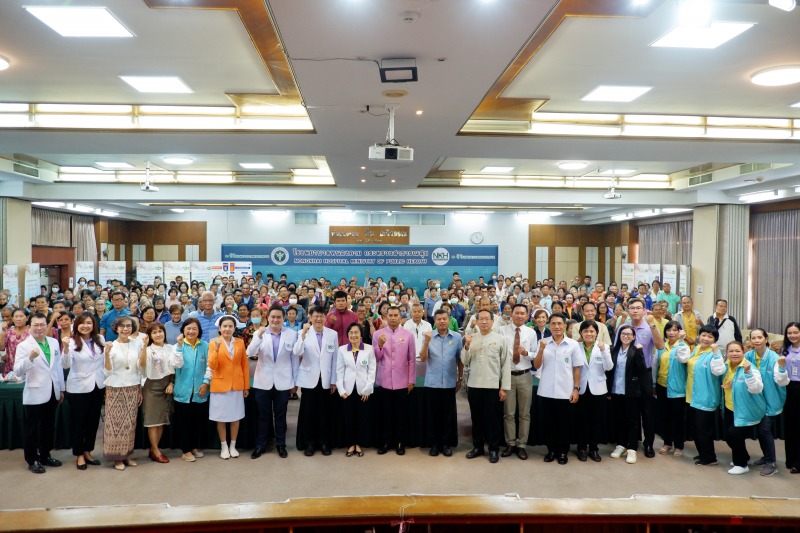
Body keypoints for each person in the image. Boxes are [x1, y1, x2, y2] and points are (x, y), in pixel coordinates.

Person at [14, 313, 65, 474]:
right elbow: (17, 371)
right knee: (32, 429)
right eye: (35, 325)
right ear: (30, 327)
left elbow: (57, 368)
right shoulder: (24, 346)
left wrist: (61, 388)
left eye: (42, 324)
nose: (39, 328)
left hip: (52, 391)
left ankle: (45, 454)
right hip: (35, 393)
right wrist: (30, 358)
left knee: (48, 426)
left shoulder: (54, 342)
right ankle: (32, 459)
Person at [247, 305, 299, 459]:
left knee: (281, 415)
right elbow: (250, 353)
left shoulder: (292, 334)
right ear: (267, 318)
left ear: (283, 319)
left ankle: (281, 445)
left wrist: (295, 382)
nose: (275, 320)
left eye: (279, 317)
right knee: (263, 415)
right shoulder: (259, 333)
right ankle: (261, 445)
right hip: (263, 380)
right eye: (273, 317)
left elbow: (294, 359)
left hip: (283, 381)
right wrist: (259, 336)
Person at [463, 309, 510, 463]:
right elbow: (465, 361)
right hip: (474, 385)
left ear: (492, 321)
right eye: (481, 319)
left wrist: (503, 387)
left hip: (493, 386)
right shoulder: (471, 338)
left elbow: (505, 365)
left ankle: (493, 449)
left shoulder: (500, 339)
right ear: (475, 321)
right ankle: (477, 447)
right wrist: (466, 346)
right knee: (476, 419)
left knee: (493, 420)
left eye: (487, 319)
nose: (484, 322)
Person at [534, 312, 582, 465]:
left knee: (564, 424)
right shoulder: (543, 342)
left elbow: (576, 369)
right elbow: (536, 365)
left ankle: (562, 451)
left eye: (559, 324)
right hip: (546, 390)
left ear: (565, 326)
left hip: (565, 391)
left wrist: (576, 389)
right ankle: (551, 450)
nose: (556, 327)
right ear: (549, 325)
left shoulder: (573, 345)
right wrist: (541, 349)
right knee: (548, 423)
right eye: (553, 324)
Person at [293, 306, 339, 456]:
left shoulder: (332, 334)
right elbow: (297, 352)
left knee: (325, 413)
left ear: (325, 318)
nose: (319, 319)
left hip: (326, 380)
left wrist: (334, 381)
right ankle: (309, 443)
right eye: (316, 316)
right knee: (308, 413)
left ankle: (324, 442)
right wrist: (304, 334)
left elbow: (335, 359)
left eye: (321, 316)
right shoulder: (302, 333)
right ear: (310, 318)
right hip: (308, 379)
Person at [61, 314, 105, 470]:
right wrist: (65, 348)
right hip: (78, 388)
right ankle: (79, 454)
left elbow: (104, 362)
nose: (86, 326)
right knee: (79, 423)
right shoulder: (71, 342)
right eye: (82, 323)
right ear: (76, 325)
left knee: (93, 422)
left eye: (89, 323)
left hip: (98, 386)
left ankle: (88, 451)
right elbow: (65, 365)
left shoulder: (100, 339)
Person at [102, 315, 146, 471]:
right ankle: (116, 458)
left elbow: (141, 368)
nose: (125, 329)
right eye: (122, 326)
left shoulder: (138, 344)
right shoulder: (111, 345)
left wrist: (140, 388)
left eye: (128, 326)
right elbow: (107, 372)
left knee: (129, 424)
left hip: (133, 387)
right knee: (115, 424)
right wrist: (106, 353)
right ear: (116, 328)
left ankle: (126, 454)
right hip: (115, 388)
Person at [677, 325, 723, 466]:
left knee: (704, 429)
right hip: (692, 396)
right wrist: (681, 341)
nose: (706, 338)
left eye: (710, 337)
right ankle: (703, 453)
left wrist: (716, 353)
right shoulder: (697, 349)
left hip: (706, 397)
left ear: (715, 340)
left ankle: (709, 458)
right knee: (697, 428)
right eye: (703, 335)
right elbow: (684, 360)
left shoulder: (715, 353)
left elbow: (718, 371)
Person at [745, 328, 789, 476]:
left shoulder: (774, 357)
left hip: (771, 399)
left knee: (764, 429)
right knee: (760, 430)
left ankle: (772, 463)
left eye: (759, 337)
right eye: (753, 338)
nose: (756, 340)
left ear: (766, 339)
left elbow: (781, 381)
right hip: (755, 401)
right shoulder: (748, 356)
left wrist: (782, 368)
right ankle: (766, 457)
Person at [419, 308, 463, 457]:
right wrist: (426, 342)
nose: (442, 321)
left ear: (449, 320)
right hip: (432, 382)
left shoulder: (457, 337)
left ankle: (446, 444)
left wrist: (460, 378)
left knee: (448, 415)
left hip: (450, 382)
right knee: (433, 416)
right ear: (434, 321)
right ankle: (434, 444)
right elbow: (423, 358)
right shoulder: (428, 336)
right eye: (439, 319)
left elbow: (460, 360)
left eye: (445, 318)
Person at [718, 341, 766, 475]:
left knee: (734, 434)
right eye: (731, 351)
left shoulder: (749, 367)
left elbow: (756, 388)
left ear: (743, 352)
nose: (734, 354)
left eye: (737, 351)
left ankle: (742, 464)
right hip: (730, 407)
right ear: (726, 354)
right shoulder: (726, 366)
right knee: (728, 435)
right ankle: (743, 456)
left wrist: (748, 372)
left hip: (746, 409)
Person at [373, 306, 416, 455]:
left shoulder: (408, 335)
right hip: (384, 380)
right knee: (386, 414)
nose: (392, 318)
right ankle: (385, 441)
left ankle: (400, 442)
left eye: (395, 315)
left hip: (402, 381)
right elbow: (376, 358)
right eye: (390, 315)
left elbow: (411, 359)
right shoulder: (378, 334)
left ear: (400, 317)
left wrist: (411, 380)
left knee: (401, 414)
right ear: (385, 316)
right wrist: (379, 345)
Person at [206, 315, 250, 460]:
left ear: (234, 328)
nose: (227, 329)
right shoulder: (213, 343)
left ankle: (233, 445)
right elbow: (212, 365)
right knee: (221, 417)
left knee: (235, 417)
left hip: (237, 385)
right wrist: (216, 350)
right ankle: (223, 446)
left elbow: (244, 365)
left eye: (230, 326)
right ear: (219, 328)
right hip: (220, 385)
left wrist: (246, 386)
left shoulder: (240, 342)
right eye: (224, 326)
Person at [606, 324, 651, 464]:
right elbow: (609, 370)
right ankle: (621, 445)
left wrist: (639, 353)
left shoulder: (636, 350)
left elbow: (642, 370)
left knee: (633, 420)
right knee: (619, 419)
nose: (626, 336)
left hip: (631, 391)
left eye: (629, 334)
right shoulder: (613, 350)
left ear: (633, 337)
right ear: (619, 336)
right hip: (615, 390)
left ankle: (632, 448)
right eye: (623, 334)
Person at [140, 322, 181, 464]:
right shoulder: (148, 348)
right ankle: (156, 450)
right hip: (152, 386)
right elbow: (142, 365)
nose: (158, 334)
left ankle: (153, 449)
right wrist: (144, 347)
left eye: (160, 331)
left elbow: (176, 367)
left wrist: (171, 383)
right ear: (150, 336)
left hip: (167, 385)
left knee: (162, 420)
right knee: (152, 421)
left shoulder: (171, 348)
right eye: (154, 332)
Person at [499, 304, 535, 460]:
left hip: (525, 376)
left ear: (527, 316)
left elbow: (535, 354)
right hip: (507, 376)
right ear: (511, 314)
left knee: (525, 413)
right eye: (517, 313)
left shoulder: (531, 333)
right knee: (509, 413)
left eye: (522, 313)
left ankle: (521, 445)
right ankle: (510, 443)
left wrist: (526, 353)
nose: (519, 316)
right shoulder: (502, 331)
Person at [336, 322, 376, 457]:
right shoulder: (342, 349)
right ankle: (350, 444)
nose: (354, 335)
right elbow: (339, 371)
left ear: (361, 335)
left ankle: (359, 444)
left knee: (362, 417)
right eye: (351, 333)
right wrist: (341, 389)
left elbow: (372, 370)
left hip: (363, 390)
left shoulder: (369, 349)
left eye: (356, 332)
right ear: (348, 335)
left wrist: (367, 389)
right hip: (347, 390)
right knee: (348, 417)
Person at [172, 318, 209, 462]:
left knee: (197, 421)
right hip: (183, 390)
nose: (191, 331)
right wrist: (180, 347)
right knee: (184, 422)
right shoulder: (177, 346)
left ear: (199, 331)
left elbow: (209, 366)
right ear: (183, 331)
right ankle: (185, 450)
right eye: (188, 328)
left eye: (194, 328)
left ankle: (194, 446)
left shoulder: (204, 345)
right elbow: (176, 364)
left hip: (200, 389)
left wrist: (206, 383)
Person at [576, 320, 613, 462]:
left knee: (596, 420)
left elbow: (609, 367)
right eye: (586, 331)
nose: (589, 334)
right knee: (581, 420)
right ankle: (581, 448)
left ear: (597, 333)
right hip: (581, 388)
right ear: (581, 333)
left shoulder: (604, 347)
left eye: (592, 331)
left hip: (598, 389)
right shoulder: (576, 346)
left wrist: (603, 351)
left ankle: (594, 448)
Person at [653, 321, 690, 457]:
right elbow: (656, 366)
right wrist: (653, 384)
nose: (672, 333)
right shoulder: (662, 347)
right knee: (665, 417)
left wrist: (681, 341)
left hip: (678, 389)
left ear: (680, 331)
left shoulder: (683, 346)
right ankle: (667, 443)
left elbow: (683, 359)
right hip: (662, 386)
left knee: (678, 418)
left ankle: (679, 446)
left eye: (675, 330)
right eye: (669, 330)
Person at [780, 321, 800, 474]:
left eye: (795, 332)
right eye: (789, 333)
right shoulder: (785, 349)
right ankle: (790, 460)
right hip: (788, 388)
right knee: (790, 425)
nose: (792, 335)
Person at [1, 308, 30, 376]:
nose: (18, 319)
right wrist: (3, 331)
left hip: (27, 367)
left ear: (27, 318)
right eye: (16, 316)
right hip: (11, 368)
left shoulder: (32, 331)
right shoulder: (8, 332)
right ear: (13, 319)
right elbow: (1, 348)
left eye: (21, 316)